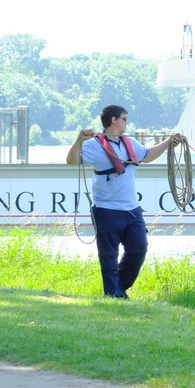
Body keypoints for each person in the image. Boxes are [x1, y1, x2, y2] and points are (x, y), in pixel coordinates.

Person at [66, 104, 180, 298]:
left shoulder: (129, 142)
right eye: (125, 118)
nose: (127, 122)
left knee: (138, 249)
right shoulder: (93, 144)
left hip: (132, 209)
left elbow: (146, 155)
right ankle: (114, 294)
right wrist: (79, 140)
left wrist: (168, 142)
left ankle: (118, 288)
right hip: (106, 209)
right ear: (114, 120)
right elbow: (72, 160)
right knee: (109, 255)